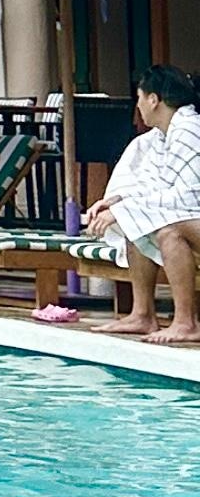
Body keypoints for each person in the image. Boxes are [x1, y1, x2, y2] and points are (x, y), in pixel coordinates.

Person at [45, 64, 200, 337]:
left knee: (168, 231)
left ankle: (186, 323)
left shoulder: (189, 129)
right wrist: (118, 201)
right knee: (136, 221)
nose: (137, 106)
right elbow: (156, 186)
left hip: (192, 214)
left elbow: (188, 196)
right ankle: (142, 315)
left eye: (139, 97)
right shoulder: (163, 134)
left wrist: (125, 209)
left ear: (153, 99)